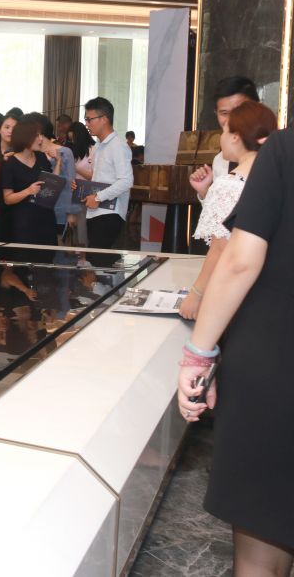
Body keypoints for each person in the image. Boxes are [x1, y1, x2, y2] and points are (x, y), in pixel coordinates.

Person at [176, 125, 294, 577]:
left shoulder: (284, 149)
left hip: (276, 359)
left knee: (262, 549)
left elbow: (241, 259)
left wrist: (198, 355)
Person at [178, 101, 276, 320]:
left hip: (234, 287)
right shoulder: (274, 177)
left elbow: (220, 248)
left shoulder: (229, 184)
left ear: (235, 137)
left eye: (224, 131)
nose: (220, 137)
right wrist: (206, 192)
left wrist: (196, 295)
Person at [81, 97, 132, 257]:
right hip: (96, 211)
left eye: (89, 119)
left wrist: (98, 197)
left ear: (104, 119)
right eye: (86, 119)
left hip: (110, 213)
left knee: (100, 259)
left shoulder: (118, 146)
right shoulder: (98, 146)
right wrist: (80, 187)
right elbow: (100, 178)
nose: (87, 124)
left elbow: (126, 181)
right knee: (95, 259)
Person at [0, 116, 57, 247]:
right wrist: (28, 191)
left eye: (41, 135)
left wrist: (58, 162)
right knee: (26, 256)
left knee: (48, 256)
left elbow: (52, 184)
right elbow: (7, 199)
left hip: (46, 217)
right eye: (37, 135)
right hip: (24, 222)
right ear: (25, 137)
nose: (41, 139)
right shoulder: (10, 163)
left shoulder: (41, 157)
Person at [209, 76, 259, 179]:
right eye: (224, 113)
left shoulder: (274, 153)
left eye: (239, 111)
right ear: (216, 113)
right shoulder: (219, 161)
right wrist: (206, 188)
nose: (232, 120)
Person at [39, 117, 78, 240]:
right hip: (40, 210)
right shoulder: (33, 153)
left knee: (60, 246)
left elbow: (72, 182)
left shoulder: (65, 152)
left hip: (61, 208)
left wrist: (71, 212)